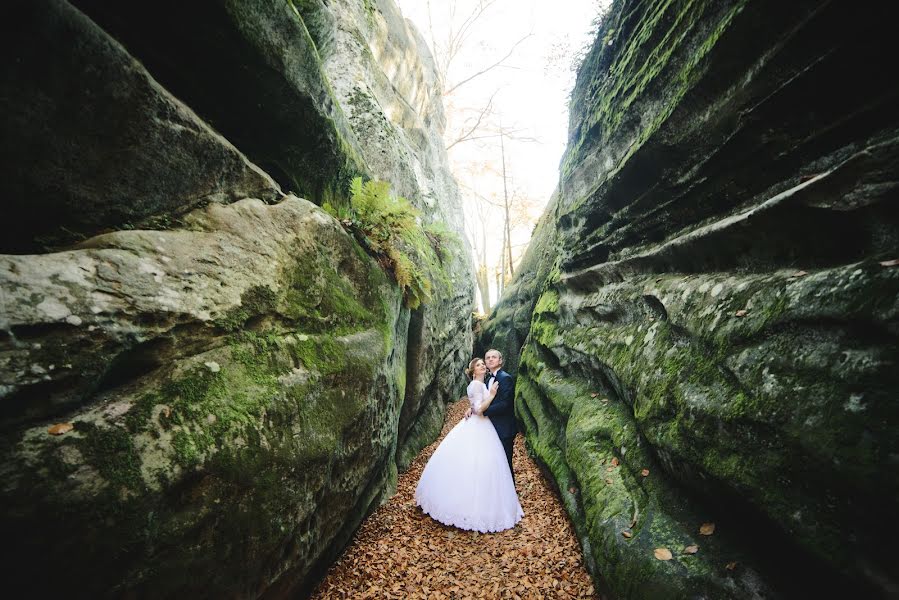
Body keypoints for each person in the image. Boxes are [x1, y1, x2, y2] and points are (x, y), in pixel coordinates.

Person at [414, 358, 523, 532]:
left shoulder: (482, 383)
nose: (483, 366)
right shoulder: (476, 385)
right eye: (480, 365)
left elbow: (476, 406)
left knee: (487, 463)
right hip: (479, 424)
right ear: (473, 371)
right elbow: (480, 409)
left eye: (483, 364)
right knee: (474, 461)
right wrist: (491, 396)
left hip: (483, 424)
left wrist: (472, 408)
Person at [468, 348, 517, 483]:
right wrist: (472, 409)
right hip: (489, 428)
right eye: (487, 357)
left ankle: (510, 495)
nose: (489, 359)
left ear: (500, 361)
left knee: (505, 463)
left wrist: (482, 411)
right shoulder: (487, 379)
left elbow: (505, 404)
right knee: (493, 464)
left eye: (493, 357)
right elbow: (481, 400)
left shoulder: (505, 378)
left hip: (503, 427)